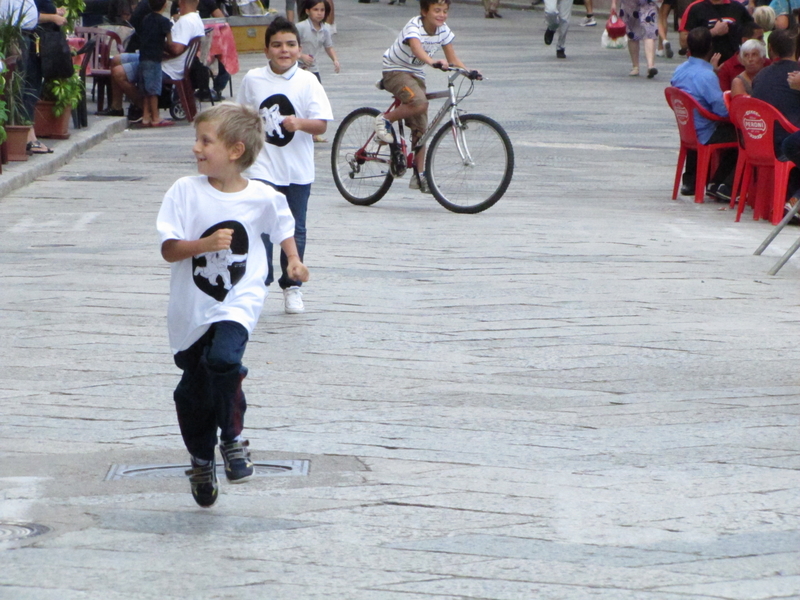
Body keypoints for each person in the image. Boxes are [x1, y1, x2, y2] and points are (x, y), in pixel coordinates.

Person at [157, 103, 308, 508]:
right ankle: (201, 460)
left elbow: (283, 225)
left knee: (224, 360)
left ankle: (233, 438)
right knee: (192, 393)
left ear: (236, 150)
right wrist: (204, 245)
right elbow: (169, 250)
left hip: (239, 300)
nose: (196, 148)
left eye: (206, 141)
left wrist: (293, 260)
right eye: (197, 139)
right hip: (191, 311)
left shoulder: (261, 196)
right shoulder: (184, 192)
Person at [236, 17, 332, 315]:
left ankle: (292, 286)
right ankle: (257, 283)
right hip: (261, 168)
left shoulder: (308, 81)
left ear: (299, 49)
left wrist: (298, 123)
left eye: (290, 45)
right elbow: (241, 117)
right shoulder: (253, 79)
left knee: (295, 229)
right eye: (277, 45)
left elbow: (322, 126)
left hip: (297, 170)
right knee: (260, 227)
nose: (284, 51)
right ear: (266, 50)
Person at [375, 0, 478, 194]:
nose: (442, 15)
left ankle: (419, 176)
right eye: (437, 11)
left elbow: (453, 58)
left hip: (416, 74)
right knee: (419, 102)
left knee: (423, 128)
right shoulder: (414, 26)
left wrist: (469, 71)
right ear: (424, 11)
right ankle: (383, 120)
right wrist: (431, 61)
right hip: (395, 71)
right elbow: (416, 48)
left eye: (445, 11)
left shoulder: (443, 29)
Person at [102, 0, 204, 120]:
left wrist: (159, 42)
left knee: (118, 72)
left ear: (181, 2)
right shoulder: (194, 18)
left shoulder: (186, 21)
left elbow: (176, 49)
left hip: (166, 65)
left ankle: (145, 108)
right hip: (163, 58)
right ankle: (116, 107)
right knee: (116, 59)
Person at [670, 26, 738, 200]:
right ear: (710, 48)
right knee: (741, 136)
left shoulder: (680, 70)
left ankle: (699, 181)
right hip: (705, 131)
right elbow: (722, 110)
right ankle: (721, 184)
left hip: (688, 128)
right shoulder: (706, 77)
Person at [296, 0, 339, 142]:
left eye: (322, 10)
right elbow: (291, 46)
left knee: (315, 99)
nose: (319, 13)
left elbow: (329, 46)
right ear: (307, 11)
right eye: (316, 10)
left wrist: (335, 60)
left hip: (314, 69)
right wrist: (301, 56)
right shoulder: (300, 27)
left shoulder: (326, 29)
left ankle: (314, 133)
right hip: (297, 68)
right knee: (299, 98)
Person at [679, 0, 753, 63]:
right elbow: (684, 42)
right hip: (703, 64)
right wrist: (712, 32)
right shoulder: (695, 8)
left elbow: (753, 31)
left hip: (732, 65)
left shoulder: (737, 7)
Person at [138, 0, 173, 127]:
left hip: (143, 57)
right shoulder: (165, 22)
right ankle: (156, 117)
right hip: (154, 59)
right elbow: (169, 43)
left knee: (145, 89)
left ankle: (146, 116)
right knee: (153, 90)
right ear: (165, 5)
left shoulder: (146, 19)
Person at [611, 0, 659, 77]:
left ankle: (648, 66)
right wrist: (614, 3)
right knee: (633, 33)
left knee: (648, 31)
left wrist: (614, 3)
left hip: (644, 3)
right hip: (631, 4)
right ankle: (639, 66)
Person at [717, 22, 768, 91]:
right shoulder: (727, 68)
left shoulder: (768, 63)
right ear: (745, 40)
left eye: (754, 55)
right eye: (759, 38)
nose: (763, 43)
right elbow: (725, 96)